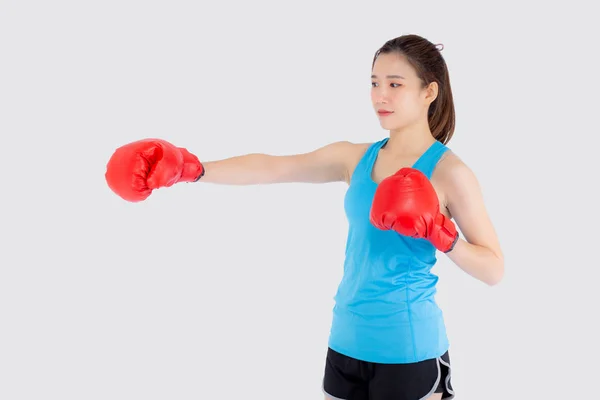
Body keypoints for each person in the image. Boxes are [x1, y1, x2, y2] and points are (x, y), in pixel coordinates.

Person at [105, 34, 504, 400]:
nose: (380, 95)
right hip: (345, 341)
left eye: (395, 84)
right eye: (374, 82)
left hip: (409, 347)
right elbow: (276, 167)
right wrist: (192, 169)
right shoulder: (356, 158)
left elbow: (493, 268)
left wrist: (442, 234)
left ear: (428, 91)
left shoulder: (450, 173)